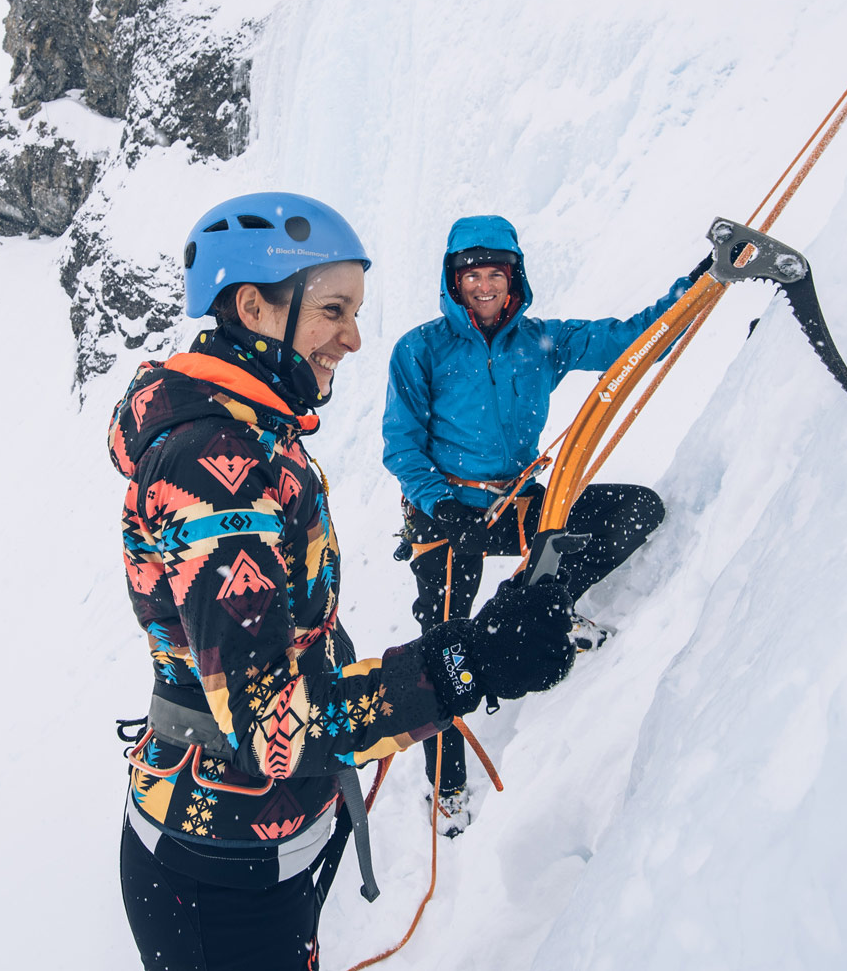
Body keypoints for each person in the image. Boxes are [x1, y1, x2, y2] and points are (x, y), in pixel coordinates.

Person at [111, 193, 577, 971]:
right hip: (221, 861)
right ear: (255, 306)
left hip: (250, 840)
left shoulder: (256, 431)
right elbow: (272, 729)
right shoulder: (213, 467)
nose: (354, 339)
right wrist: (470, 662)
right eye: (333, 309)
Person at [382, 214, 698, 834]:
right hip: (444, 517)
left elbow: (635, 340)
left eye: (494, 274)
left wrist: (702, 282)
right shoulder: (420, 350)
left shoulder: (541, 342)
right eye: (471, 274)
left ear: (513, 278)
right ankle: (446, 788)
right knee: (443, 650)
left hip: (520, 503)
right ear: (453, 280)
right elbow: (401, 446)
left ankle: (542, 605)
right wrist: (443, 505)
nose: (483, 285)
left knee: (635, 509)